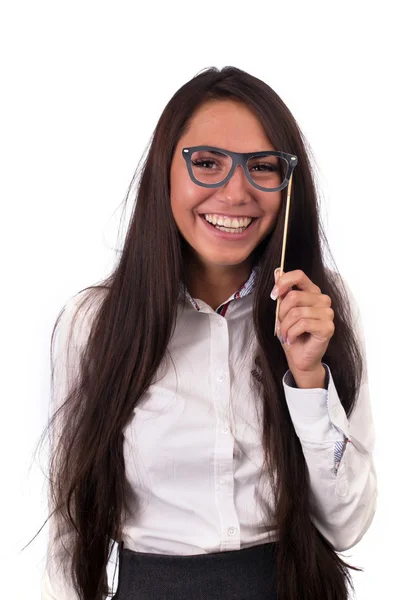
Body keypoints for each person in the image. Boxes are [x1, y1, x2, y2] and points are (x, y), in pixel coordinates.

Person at [40, 65, 377, 600]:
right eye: (207, 163)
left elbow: (346, 524)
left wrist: (309, 377)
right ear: (164, 173)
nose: (236, 191)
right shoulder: (95, 322)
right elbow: (69, 530)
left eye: (262, 166)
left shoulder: (319, 306)